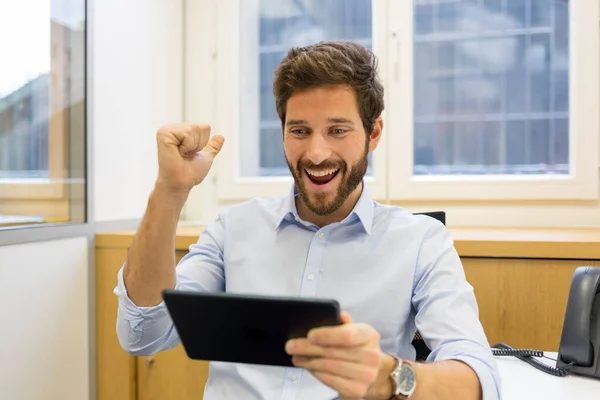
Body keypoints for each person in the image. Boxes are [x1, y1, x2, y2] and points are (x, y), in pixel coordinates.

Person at [114, 41, 501, 400]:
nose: (316, 154)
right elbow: (143, 334)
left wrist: (390, 377)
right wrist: (170, 191)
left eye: (337, 130)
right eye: (300, 131)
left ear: (374, 132)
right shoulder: (233, 228)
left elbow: (478, 378)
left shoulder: (420, 241)